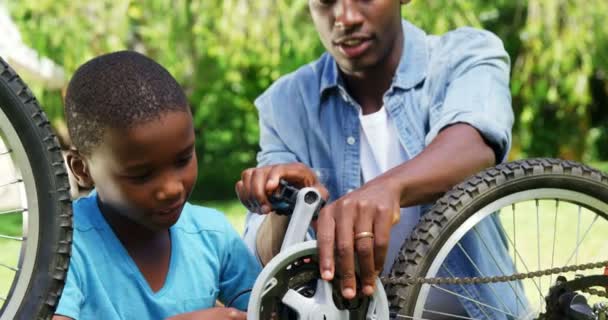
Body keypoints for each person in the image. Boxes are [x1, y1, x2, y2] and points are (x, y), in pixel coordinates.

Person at [236, 0, 525, 318]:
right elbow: (266, 251)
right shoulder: (286, 103)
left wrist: (388, 188)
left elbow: (473, 144)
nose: (344, 18)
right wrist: (286, 205)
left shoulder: (464, 55)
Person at [53, 51, 260, 320]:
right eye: (141, 175)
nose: (172, 188)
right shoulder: (64, 247)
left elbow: (269, 309)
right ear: (82, 170)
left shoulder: (212, 235)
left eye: (183, 159)